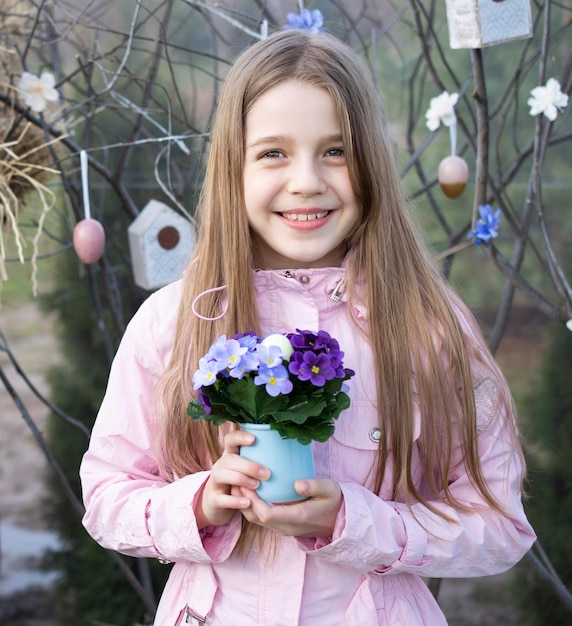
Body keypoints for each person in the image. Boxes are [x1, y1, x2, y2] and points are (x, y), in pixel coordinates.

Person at [80, 28, 536, 625]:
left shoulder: (427, 327)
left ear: (370, 163)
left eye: (336, 150)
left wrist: (357, 522)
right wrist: (198, 503)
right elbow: (106, 496)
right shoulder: (173, 323)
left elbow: (497, 522)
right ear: (233, 167)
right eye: (273, 152)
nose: (307, 181)